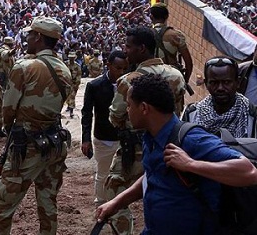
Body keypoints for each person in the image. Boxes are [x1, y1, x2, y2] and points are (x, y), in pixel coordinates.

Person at [96, 74, 257, 234]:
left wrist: (190, 164)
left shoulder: (191, 140)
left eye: (129, 105)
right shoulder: (150, 137)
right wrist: (117, 203)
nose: (127, 110)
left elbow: (248, 172)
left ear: (144, 108)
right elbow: (152, 176)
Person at [0, 16, 72, 235]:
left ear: (38, 37)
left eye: (29, 35)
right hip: (55, 142)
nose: (26, 39)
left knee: (4, 205)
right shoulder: (64, 69)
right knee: (48, 204)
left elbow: (8, 108)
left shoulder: (24, 67)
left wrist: (9, 128)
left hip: (27, 145)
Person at [106, 26, 186, 235]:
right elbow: (179, 109)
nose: (125, 50)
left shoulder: (129, 80)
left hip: (135, 148)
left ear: (142, 49)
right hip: (169, 144)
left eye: (129, 46)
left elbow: (115, 117)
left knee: (115, 190)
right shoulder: (176, 75)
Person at [81, 50, 128, 205]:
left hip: (124, 138)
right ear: (109, 65)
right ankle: (101, 203)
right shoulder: (95, 86)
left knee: (122, 174)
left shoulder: (129, 85)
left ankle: (118, 205)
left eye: (124, 69)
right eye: (118, 68)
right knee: (103, 173)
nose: (121, 72)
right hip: (104, 138)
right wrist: (85, 139)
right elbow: (87, 113)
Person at [182, 56, 256, 138]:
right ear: (206, 84)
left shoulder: (250, 114)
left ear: (238, 82)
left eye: (226, 82)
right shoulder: (192, 114)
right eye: (214, 83)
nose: (220, 88)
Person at [149, 3, 194, 84]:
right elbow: (188, 62)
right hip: (172, 78)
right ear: (167, 17)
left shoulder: (146, 35)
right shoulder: (176, 35)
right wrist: (185, 81)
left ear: (151, 17)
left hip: (151, 78)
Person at [0, 36, 16, 137]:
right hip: (2, 81)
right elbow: (5, 55)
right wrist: (12, 51)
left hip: (0, 80)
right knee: (2, 104)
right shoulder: (4, 50)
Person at [65, 52, 82, 118]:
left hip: (73, 83)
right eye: (70, 58)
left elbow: (79, 75)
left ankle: (71, 111)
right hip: (66, 83)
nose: (71, 59)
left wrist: (77, 84)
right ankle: (69, 106)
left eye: (72, 58)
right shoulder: (65, 64)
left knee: (72, 97)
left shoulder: (77, 66)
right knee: (67, 97)